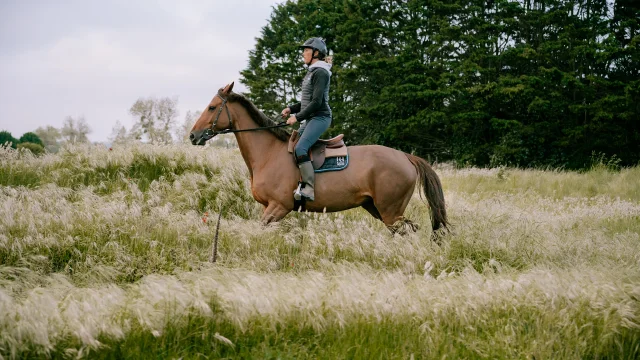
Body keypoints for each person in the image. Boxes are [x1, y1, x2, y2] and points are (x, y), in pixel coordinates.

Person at [281, 37, 333, 202]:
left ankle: (309, 189)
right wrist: (291, 108)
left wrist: (296, 117)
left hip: (320, 117)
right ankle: (297, 183)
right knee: (294, 145)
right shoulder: (312, 72)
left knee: (301, 148)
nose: (303, 53)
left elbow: (317, 103)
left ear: (316, 53)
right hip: (310, 118)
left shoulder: (321, 72)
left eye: (306, 50)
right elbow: (306, 102)